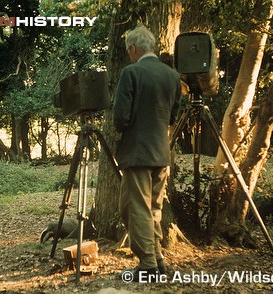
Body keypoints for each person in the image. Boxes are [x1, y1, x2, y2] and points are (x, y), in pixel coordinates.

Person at [113, 25, 181, 281]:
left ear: (133, 48)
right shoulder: (172, 75)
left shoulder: (131, 72)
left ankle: (148, 265)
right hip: (162, 152)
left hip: (138, 152)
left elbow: (120, 118)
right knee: (153, 208)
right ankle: (158, 258)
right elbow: (173, 115)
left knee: (134, 208)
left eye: (128, 50)